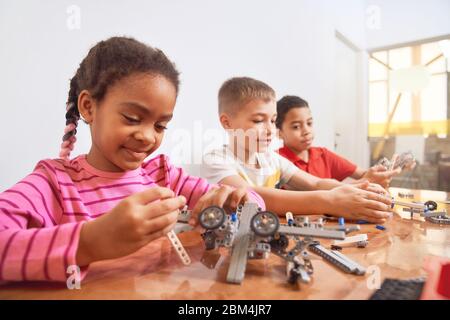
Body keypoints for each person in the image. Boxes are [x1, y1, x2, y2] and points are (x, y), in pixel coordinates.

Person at [0, 37, 264, 283]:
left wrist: (237, 200)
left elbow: (255, 205)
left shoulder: (164, 177)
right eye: (132, 119)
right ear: (89, 107)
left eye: (160, 126)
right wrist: (91, 242)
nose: (147, 136)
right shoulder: (54, 184)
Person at [201, 77, 392, 224]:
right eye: (259, 120)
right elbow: (250, 195)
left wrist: (360, 188)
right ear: (227, 122)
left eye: (273, 120)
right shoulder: (216, 160)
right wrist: (330, 201)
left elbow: (316, 184)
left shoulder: (271, 159)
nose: (270, 130)